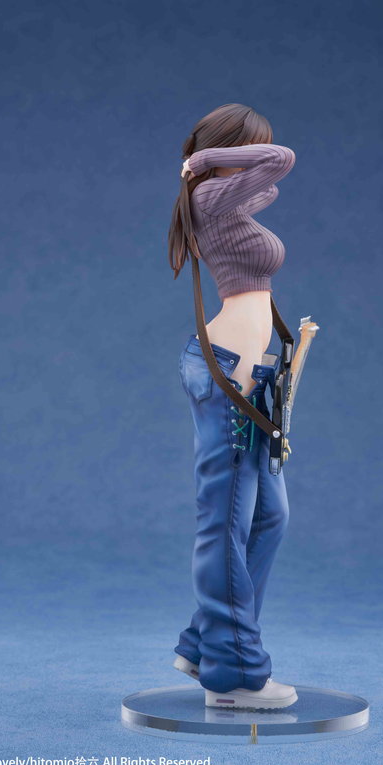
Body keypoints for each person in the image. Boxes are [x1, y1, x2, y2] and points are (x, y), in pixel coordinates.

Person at [167, 103, 298, 710]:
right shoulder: (211, 196)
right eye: (246, 147)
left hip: (247, 375)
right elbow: (280, 160)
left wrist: (215, 165)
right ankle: (233, 674)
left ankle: (202, 644)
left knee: (269, 517)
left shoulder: (225, 200)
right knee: (224, 523)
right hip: (226, 373)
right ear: (226, 148)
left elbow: (268, 183)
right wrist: (204, 161)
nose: (253, 158)